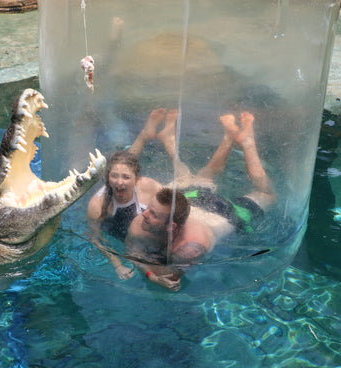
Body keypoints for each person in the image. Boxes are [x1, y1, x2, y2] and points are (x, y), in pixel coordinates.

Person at [123, 109, 276, 291]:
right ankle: (229, 138)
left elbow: (166, 276)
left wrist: (154, 278)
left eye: (153, 214)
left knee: (268, 195)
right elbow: (133, 254)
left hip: (223, 213)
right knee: (204, 177)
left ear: (170, 227)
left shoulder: (190, 248)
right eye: (149, 209)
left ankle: (247, 143)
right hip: (190, 201)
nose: (144, 215)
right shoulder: (145, 221)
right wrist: (150, 273)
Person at [86, 109, 168, 279]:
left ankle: (146, 135)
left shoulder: (149, 186)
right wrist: (117, 264)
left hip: (143, 234)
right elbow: (95, 238)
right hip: (122, 237)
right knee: (122, 164)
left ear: (137, 178)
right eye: (113, 176)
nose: (119, 182)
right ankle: (145, 134)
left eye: (126, 178)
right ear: (107, 177)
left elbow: (172, 206)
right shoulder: (98, 205)